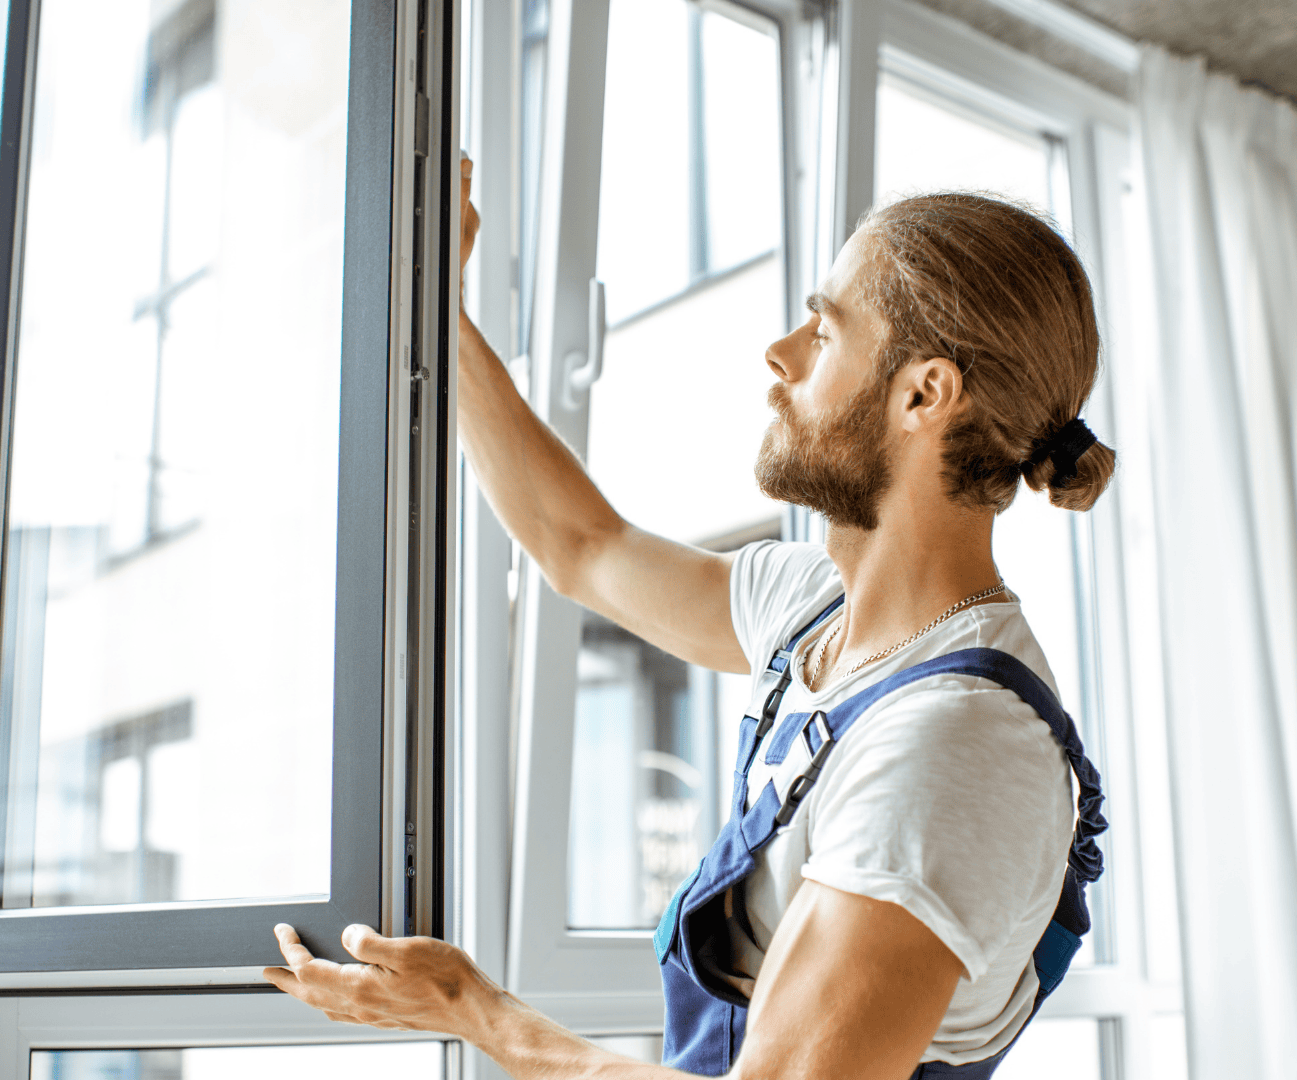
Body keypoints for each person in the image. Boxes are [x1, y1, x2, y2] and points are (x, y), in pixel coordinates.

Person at [264, 156, 1114, 1080]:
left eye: (824, 332)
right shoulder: (813, 610)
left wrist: (479, 1012)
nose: (782, 355)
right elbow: (579, 546)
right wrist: (440, 310)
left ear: (924, 394)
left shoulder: (951, 749)